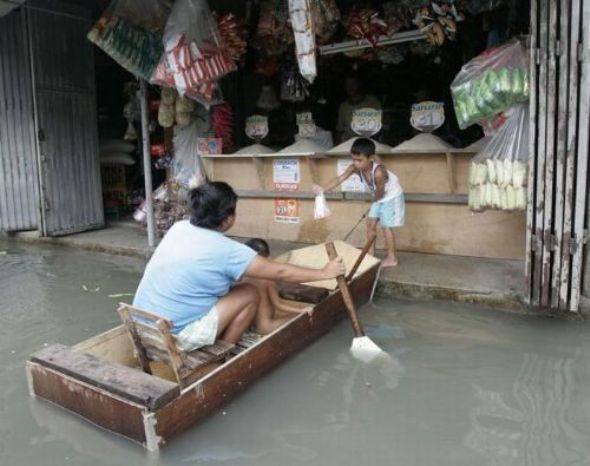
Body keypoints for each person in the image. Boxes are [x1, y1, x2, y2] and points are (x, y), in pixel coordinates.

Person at [133, 181, 345, 352]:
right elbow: (280, 271)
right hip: (174, 337)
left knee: (242, 284)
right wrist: (324, 273)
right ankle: (223, 353)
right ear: (226, 220)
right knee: (250, 292)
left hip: (141, 326)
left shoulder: (178, 228)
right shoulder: (227, 250)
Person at [313, 138, 404, 268]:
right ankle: (370, 255)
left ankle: (392, 258)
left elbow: (380, 194)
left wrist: (376, 204)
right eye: (353, 159)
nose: (356, 163)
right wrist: (322, 189)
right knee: (370, 223)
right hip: (379, 195)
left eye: (359, 160)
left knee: (386, 225)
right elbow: (340, 178)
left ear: (370, 158)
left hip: (391, 195)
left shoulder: (378, 173)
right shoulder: (355, 167)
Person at [243, 238, 314, 334]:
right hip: (266, 327)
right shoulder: (267, 279)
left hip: (251, 326)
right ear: (268, 258)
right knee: (305, 316)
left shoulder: (244, 276)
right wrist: (301, 310)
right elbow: (279, 305)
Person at [336, 75, 381, 143]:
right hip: (348, 143)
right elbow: (340, 130)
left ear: (359, 84)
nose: (350, 87)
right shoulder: (343, 106)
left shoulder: (372, 101)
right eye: (347, 84)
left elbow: (377, 126)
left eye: (353, 83)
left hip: (368, 142)